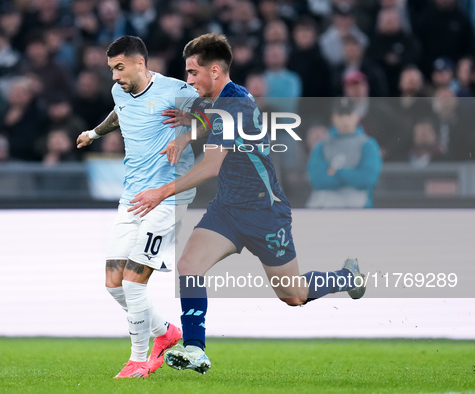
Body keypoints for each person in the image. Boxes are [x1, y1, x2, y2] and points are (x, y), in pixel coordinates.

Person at [128, 33, 367, 375]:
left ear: (215, 70)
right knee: (189, 265)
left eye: (193, 72)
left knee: (294, 295)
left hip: (264, 211)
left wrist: (161, 192)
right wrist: (185, 135)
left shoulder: (236, 104)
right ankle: (195, 349)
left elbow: (211, 166)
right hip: (227, 209)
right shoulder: (212, 99)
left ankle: (347, 276)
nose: (188, 79)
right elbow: (204, 121)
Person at [76, 36, 198, 379]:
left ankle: (139, 360)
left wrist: (185, 136)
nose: (114, 76)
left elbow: (214, 114)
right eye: (111, 69)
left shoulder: (175, 90)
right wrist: (94, 134)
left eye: (119, 68)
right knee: (113, 283)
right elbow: (120, 113)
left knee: (133, 282)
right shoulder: (121, 92)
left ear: (140, 64)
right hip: (132, 198)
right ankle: (166, 333)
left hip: (167, 197)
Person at [307, 98, 383, 209]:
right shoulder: (322, 145)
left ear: (356, 116)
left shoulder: (368, 144)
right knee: (321, 200)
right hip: (327, 200)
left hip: (357, 201)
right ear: (334, 118)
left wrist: (337, 172)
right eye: (341, 115)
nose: (345, 120)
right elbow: (317, 179)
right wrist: (351, 175)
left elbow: (368, 178)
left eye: (349, 114)